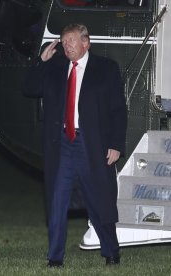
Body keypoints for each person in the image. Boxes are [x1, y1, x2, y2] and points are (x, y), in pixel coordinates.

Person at [24, 23, 127, 267]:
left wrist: (115, 144)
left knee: (98, 199)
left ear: (86, 42)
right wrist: (41, 61)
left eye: (71, 40)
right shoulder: (56, 67)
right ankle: (55, 258)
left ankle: (111, 252)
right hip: (61, 144)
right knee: (57, 200)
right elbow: (28, 88)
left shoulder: (105, 68)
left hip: (91, 145)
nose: (66, 45)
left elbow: (118, 110)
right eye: (63, 41)